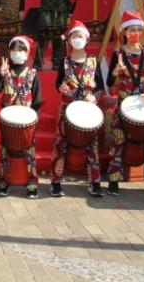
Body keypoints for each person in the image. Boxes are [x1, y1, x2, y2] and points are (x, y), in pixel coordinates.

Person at [105, 11, 144, 197]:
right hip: (124, 107)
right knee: (118, 142)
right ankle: (114, 181)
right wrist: (115, 71)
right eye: (132, 30)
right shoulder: (119, 54)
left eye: (138, 29)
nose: (135, 33)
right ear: (124, 32)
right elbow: (108, 83)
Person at [50, 21, 104, 198]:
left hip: (87, 109)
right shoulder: (65, 62)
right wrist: (61, 87)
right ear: (69, 40)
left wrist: (94, 96)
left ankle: (95, 182)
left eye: (80, 36)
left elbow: (100, 86)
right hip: (67, 108)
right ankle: (56, 182)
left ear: (86, 39)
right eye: (74, 36)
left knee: (92, 146)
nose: (77, 39)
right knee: (60, 144)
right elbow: (58, 82)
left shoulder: (93, 61)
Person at [0, 35, 42, 198]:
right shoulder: (5, 71)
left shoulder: (33, 73)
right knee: (5, 151)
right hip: (7, 122)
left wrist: (33, 121)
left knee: (29, 152)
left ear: (27, 54)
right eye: (14, 50)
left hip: (27, 123)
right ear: (9, 52)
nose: (17, 53)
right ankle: (4, 180)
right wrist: (0, 75)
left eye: (21, 50)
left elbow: (37, 100)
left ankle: (31, 182)